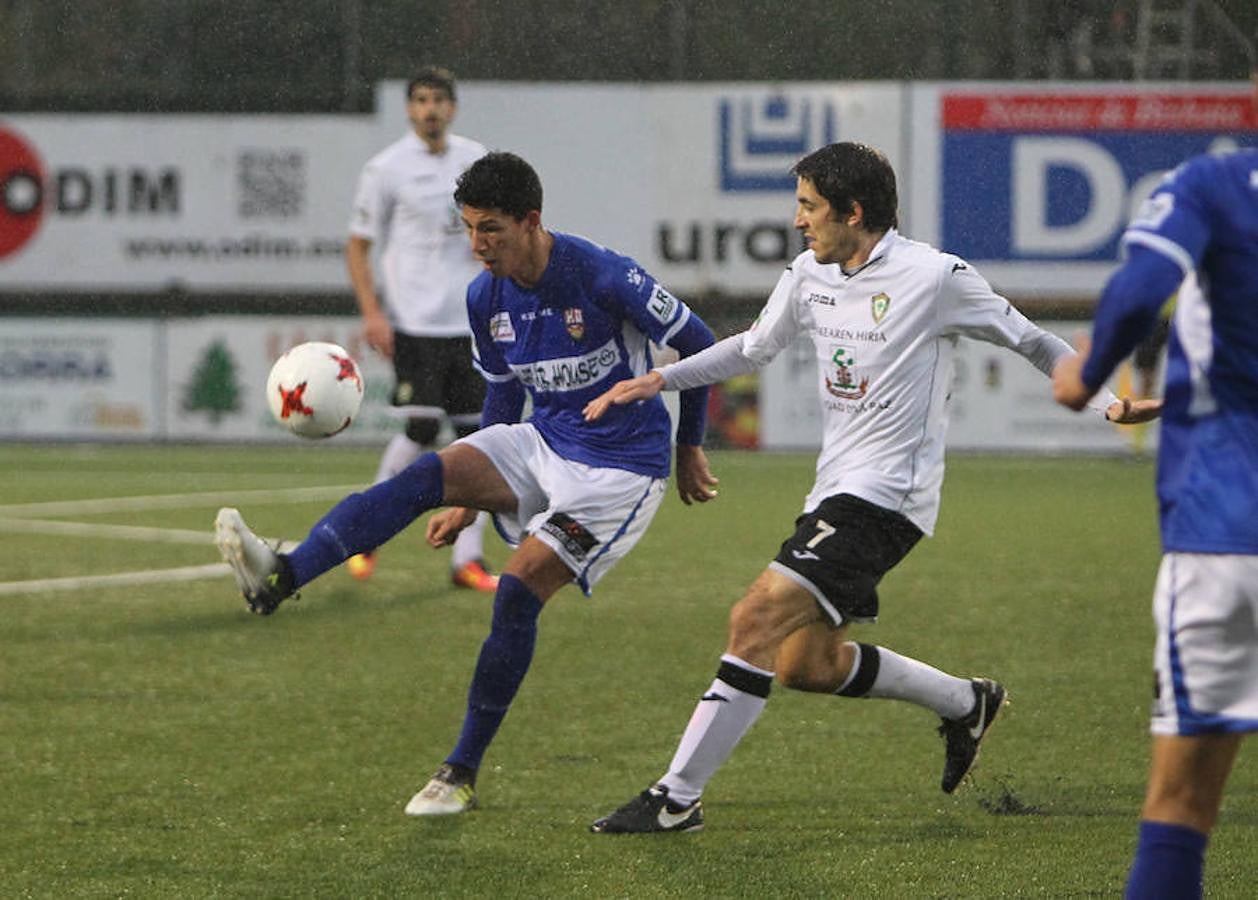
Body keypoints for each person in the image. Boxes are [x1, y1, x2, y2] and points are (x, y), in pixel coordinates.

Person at [584, 141, 1158, 834]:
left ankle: (676, 798)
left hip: (887, 499)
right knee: (807, 664)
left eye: (809, 207)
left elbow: (1030, 340)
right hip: (833, 493)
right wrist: (660, 379)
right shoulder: (809, 273)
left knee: (753, 620)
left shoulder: (935, 276)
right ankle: (965, 702)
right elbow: (755, 347)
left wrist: (1109, 402)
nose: (799, 221)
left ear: (854, 212)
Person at [215, 151, 718, 817]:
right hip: (546, 441)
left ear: (531, 221)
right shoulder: (486, 297)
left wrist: (689, 447)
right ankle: (283, 574)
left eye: (491, 230)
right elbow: (503, 404)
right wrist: (469, 494)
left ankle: (459, 772)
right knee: (424, 475)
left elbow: (703, 343)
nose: (477, 246)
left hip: (620, 470)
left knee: (515, 592)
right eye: (469, 229)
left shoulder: (602, 275)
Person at [1053, 135, 1257, 897]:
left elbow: (1141, 289)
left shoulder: (1216, 182)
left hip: (1228, 534)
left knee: (1182, 806)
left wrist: (1085, 374)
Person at [344, 65, 495, 591]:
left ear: (453, 108)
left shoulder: (475, 160)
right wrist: (373, 313)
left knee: (477, 440)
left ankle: (468, 561)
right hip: (412, 321)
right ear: (409, 109)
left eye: (439, 100)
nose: (431, 109)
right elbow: (358, 246)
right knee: (422, 428)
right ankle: (365, 535)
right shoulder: (386, 169)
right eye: (421, 100)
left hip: (468, 323)